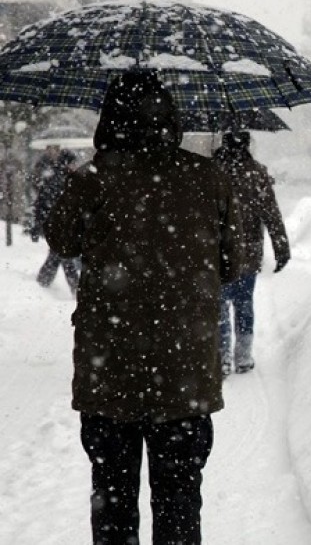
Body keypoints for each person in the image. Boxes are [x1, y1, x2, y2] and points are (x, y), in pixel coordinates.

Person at [43, 71, 243, 545]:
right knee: (179, 499)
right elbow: (234, 263)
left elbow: (61, 239)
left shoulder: (92, 179)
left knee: (112, 499)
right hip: (184, 374)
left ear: (109, 119)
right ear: (169, 119)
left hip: (108, 369)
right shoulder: (207, 177)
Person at [212, 130, 290, 376]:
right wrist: (281, 247)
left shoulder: (211, 171)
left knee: (220, 306)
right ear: (247, 145)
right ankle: (243, 356)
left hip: (218, 250)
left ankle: (222, 357)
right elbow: (271, 213)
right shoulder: (256, 173)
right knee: (244, 303)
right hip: (248, 251)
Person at [29, 144, 80, 294]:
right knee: (61, 252)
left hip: (66, 220)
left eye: (54, 149)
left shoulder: (67, 174)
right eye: (49, 149)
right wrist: (38, 224)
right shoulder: (49, 171)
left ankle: (44, 281)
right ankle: (74, 286)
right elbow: (41, 199)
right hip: (56, 220)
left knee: (59, 252)